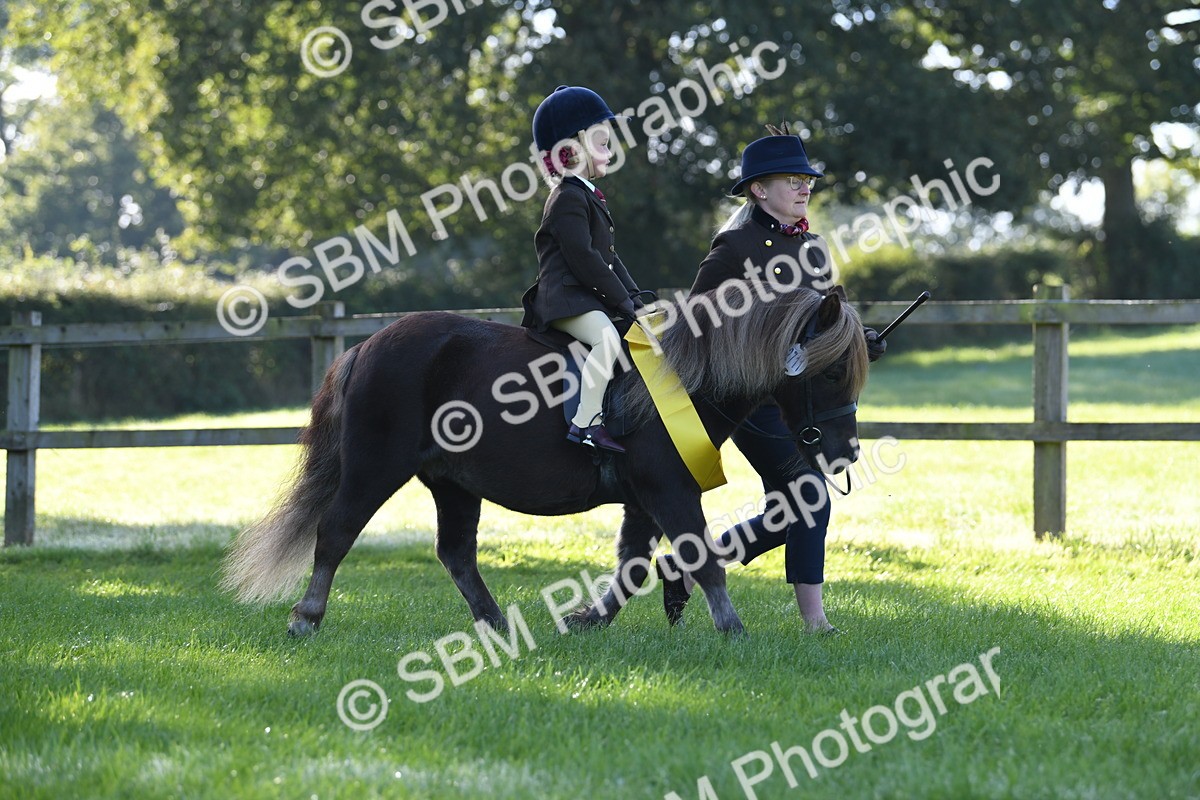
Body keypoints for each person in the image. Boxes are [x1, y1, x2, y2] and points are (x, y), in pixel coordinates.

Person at [656, 124, 886, 634]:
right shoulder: (733, 246)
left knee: (796, 505)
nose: (805, 187)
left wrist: (860, 339)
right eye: (792, 180)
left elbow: (826, 318)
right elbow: (693, 322)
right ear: (760, 190)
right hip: (748, 403)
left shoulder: (816, 247)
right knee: (812, 496)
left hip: (799, 397)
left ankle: (689, 563)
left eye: (807, 180)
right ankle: (816, 623)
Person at [520, 85, 644, 454]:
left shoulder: (586, 195)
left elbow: (610, 258)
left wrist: (636, 299)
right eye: (603, 143)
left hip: (583, 296)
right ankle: (586, 421)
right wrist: (622, 303)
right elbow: (585, 261)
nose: (610, 151)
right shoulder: (567, 198)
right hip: (565, 300)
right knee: (606, 339)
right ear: (572, 150)